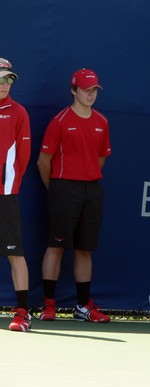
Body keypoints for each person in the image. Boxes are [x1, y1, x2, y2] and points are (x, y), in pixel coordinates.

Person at [37, 68, 111, 323]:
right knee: (56, 247)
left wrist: (85, 177)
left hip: (92, 190)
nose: (90, 95)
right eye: (86, 90)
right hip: (63, 189)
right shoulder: (59, 121)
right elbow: (43, 162)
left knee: (84, 249)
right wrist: (56, 188)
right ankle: (48, 304)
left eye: (94, 91)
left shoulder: (102, 122)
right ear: (73, 90)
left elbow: (100, 159)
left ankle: (82, 307)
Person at [0, 58, 32, 332]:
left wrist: (9, 184)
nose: (5, 84)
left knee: (14, 253)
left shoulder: (19, 112)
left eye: (9, 79)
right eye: (1, 78)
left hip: (5, 195)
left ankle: (22, 312)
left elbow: (23, 155)